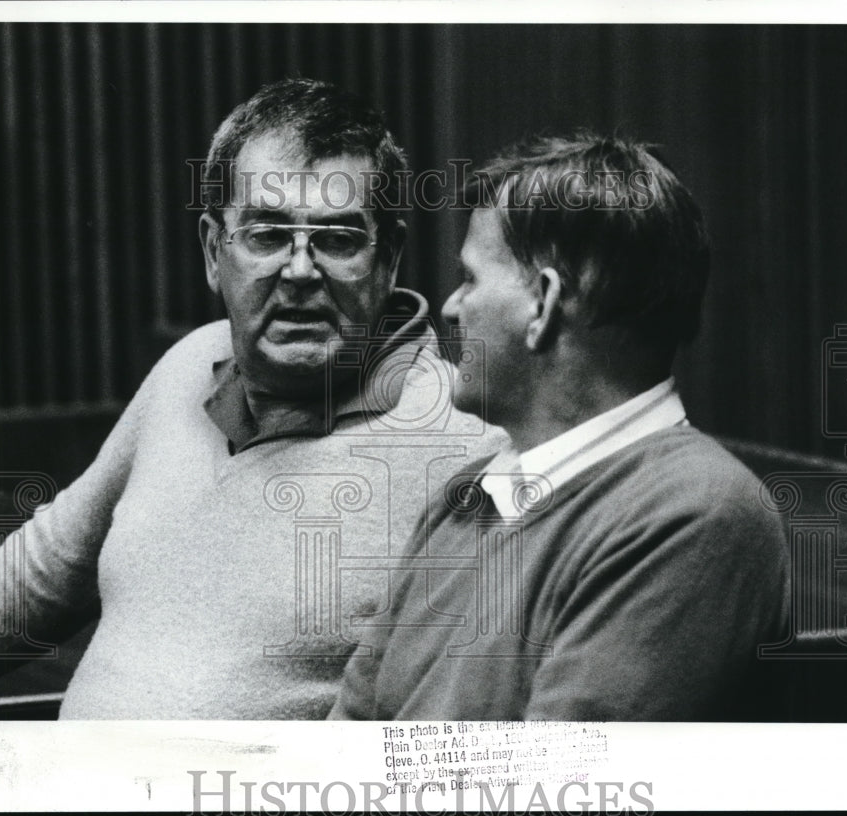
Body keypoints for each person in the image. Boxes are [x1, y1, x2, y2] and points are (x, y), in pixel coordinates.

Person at [0, 78, 503, 719]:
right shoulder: (189, 365)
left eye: (338, 239)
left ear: (388, 256)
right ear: (211, 251)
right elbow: (47, 566)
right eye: (266, 235)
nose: (302, 270)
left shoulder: (466, 444)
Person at [330, 132, 791, 721]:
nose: (449, 307)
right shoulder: (463, 499)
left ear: (543, 304)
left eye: (469, 279)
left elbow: (555, 784)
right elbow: (341, 744)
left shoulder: (699, 515)